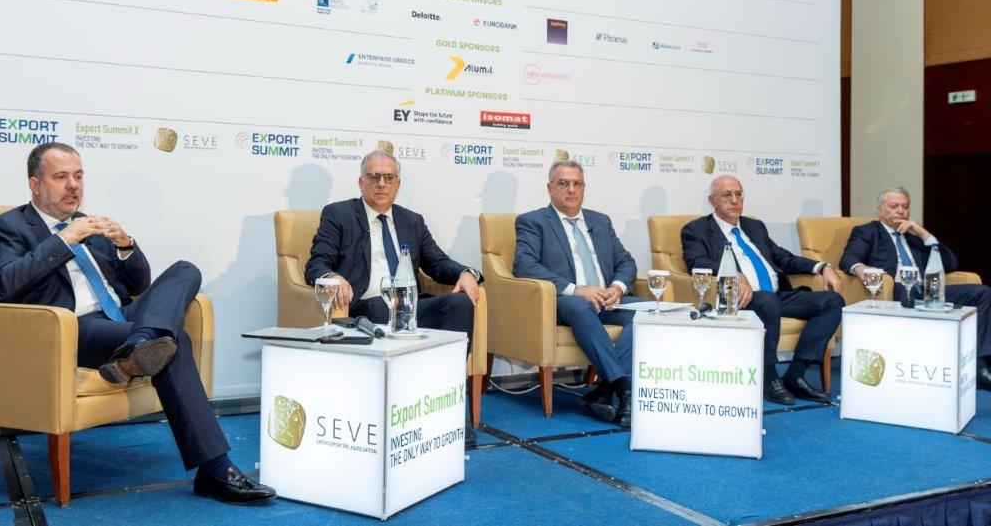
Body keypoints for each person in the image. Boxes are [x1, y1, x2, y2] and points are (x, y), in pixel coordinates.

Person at [0, 143, 275, 505]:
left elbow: (138, 285)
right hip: (71, 328)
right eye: (61, 177)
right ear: (35, 184)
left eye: (78, 176)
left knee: (186, 270)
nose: (73, 185)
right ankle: (215, 469)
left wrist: (125, 244)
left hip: (122, 319)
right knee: (175, 341)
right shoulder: (7, 227)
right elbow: (3, 285)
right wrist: (64, 239)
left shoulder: (90, 224)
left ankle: (142, 344)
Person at [681, 175, 844, 405]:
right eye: (727, 195)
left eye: (739, 194)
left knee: (832, 301)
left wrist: (822, 267)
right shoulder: (696, 229)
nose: (735, 200)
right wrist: (732, 273)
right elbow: (696, 262)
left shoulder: (754, 226)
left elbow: (783, 258)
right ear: (712, 200)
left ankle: (795, 375)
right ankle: (768, 377)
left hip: (777, 295)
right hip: (740, 298)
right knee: (767, 301)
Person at [513, 160, 649, 426]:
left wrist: (617, 288)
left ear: (584, 188)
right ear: (550, 188)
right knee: (580, 306)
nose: (571, 189)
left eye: (577, 184)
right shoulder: (533, 221)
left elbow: (626, 261)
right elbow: (524, 265)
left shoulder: (600, 221)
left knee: (647, 312)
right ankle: (624, 388)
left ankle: (604, 389)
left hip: (607, 300)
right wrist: (576, 290)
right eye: (563, 183)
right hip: (566, 301)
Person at [305, 150, 480, 345]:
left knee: (459, 303)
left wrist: (466, 273)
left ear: (398, 184)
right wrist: (333, 277)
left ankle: (450, 366)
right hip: (365, 308)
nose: (381, 184)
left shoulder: (412, 220)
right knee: (382, 306)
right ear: (361, 183)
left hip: (409, 308)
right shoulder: (339, 215)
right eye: (374, 176)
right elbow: (316, 265)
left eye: (389, 178)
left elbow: (438, 263)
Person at [840, 187, 991, 389]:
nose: (900, 210)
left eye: (905, 206)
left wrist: (923, 233)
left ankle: (979, 366)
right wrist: (862, 270)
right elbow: (849, 259)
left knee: (982, 293)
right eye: (894, 206)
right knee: (903, 290)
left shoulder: (913, 236)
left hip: (927, 291)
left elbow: (950, 263)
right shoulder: (867, 231)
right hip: (896, 291)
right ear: (880, 210)